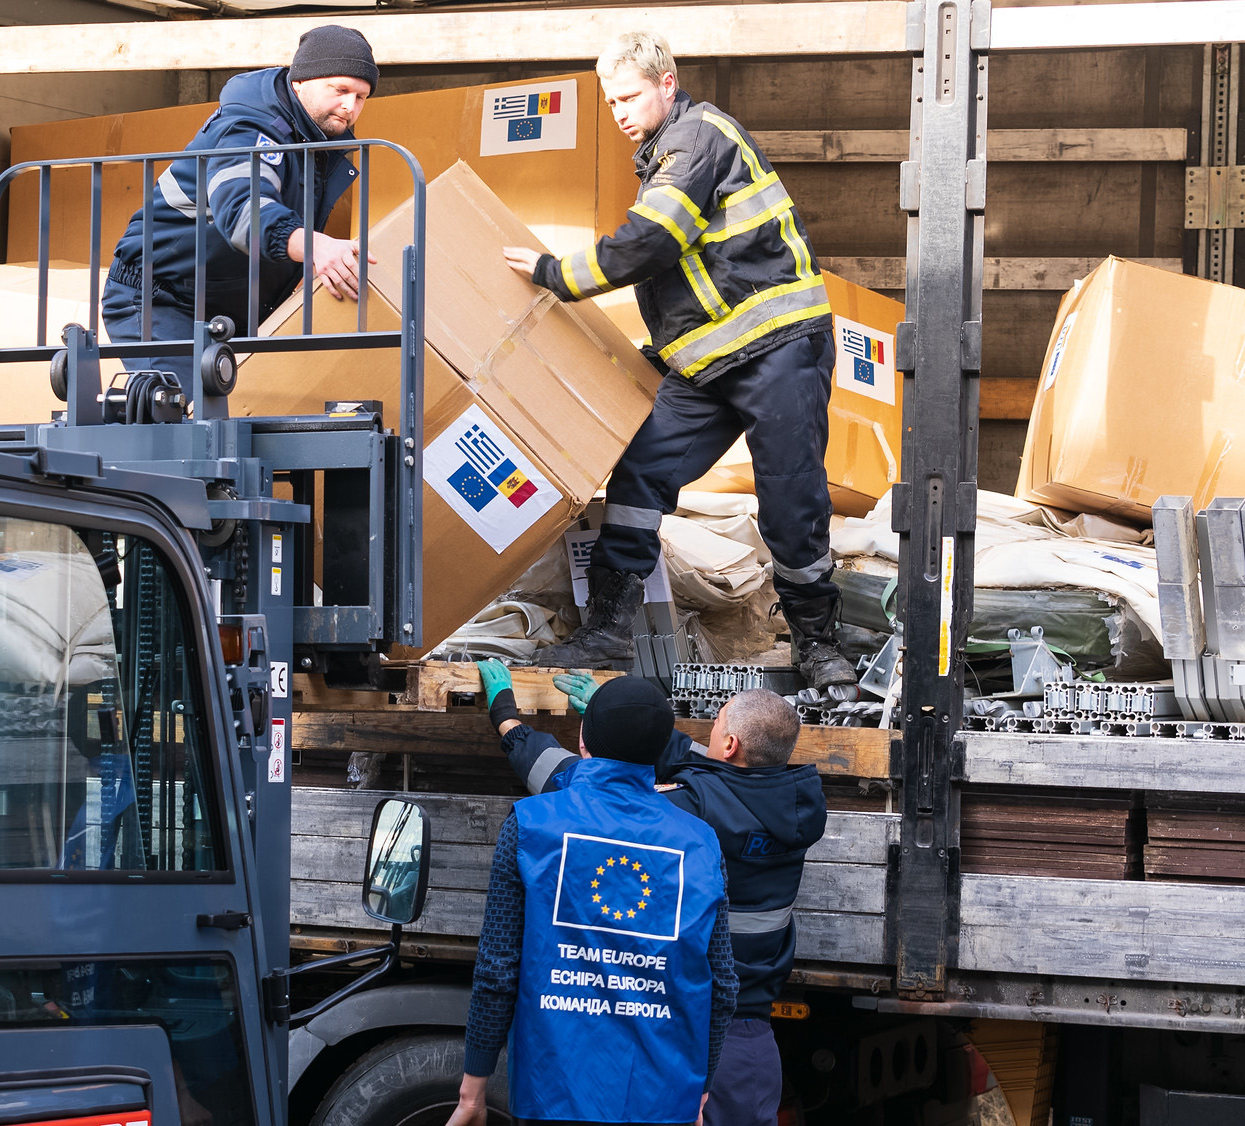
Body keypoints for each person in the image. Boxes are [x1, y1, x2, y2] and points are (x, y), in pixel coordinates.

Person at [507, 32, 855, 690]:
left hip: (778, 347)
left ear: (668, 83)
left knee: (790, 499)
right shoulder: (671, 149)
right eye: (611, 102)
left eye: (630, 96)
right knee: (642, 475)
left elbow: (654, 242)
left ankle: (819, 646)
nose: (619, 112)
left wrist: (556, 272)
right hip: (709, 360)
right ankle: (607, 634)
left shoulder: (697, 139)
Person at [477, 660, 827, 1126]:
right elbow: (711, 763)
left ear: (730, 744)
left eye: (717, 721)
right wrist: (636, 725)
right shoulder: (794, 807)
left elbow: (585, 790)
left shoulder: (690, 820)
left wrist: (510, 720)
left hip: (689, 1042)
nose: (708, 731)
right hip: (754, 1050)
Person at [447, 676, 737, 1126]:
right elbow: (721, 986)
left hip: (554, 1095)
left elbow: (497, 970)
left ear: (582, 741)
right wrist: (699, 1087)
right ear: (662, 753)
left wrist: (474, 1088)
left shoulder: (531, 826)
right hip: (662, 1101)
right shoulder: (701, 844)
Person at [101, 25, 378, 380]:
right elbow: (243, 210)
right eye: (340, 90)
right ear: (300, 81)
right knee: (187, 420)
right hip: (161, 299)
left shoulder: (317, 145)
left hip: (228, 312)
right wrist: (314, 246)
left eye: (361, 97)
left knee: (241, 424)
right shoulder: (250, 129)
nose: (349, 106)